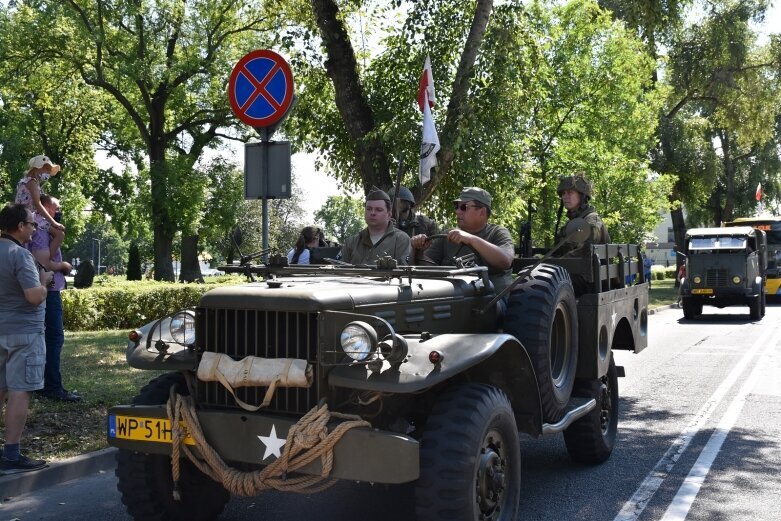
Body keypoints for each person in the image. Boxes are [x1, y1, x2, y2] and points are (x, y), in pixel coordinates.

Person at [0, 203, 53, 473]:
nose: (34, 227)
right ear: (20, 226)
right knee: (20, 390)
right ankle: (11, 454)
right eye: (32, 223)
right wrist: (44, 282)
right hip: (25, 333)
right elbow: (33, 297)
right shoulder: (20, 255)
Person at [411, 187, 514, 293]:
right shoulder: (447, 235)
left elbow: (505, 261)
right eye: (456, 207)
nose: (457, 211)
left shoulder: (497, 233)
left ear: (482, 212)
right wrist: (419, 251)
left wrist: (470, 239)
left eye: (464, 207)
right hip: (451, 297)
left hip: (491, 301)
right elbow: (428, 269)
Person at [29, 196, 80, 402]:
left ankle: (39, 384)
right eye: (56, 208)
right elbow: (44, 263)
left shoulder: (41, 230)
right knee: (53, 337)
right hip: (47, 291)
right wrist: (63, 266)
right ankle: (50, 386)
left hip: (47, 289)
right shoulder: (40, 232)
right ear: (45, 207)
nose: (59, 213)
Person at [553, 173, 610, 294]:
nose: (565, 196)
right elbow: (559, 250)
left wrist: (553, 264)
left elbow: (583, 251)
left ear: (582, 196)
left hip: (590, 280)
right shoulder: (571, 223)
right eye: (563, 193)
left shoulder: (591, 221)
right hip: (574, 274)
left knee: (549, 283)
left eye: (570, 192)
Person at [339, 187, 410, 265]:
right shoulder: (351, 242)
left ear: (389, 214)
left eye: (378, 209)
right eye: (369, 209)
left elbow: (405, 272)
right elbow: (337, 270)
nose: (372, 213)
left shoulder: (401, 240)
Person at [15, 155, 66, 261]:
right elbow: (38, 205)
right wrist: (54, 223)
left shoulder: (26, 181)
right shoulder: (32, 182)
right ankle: (47, 261)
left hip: (23, 215)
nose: (48, 172)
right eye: (46, 169)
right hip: (31, 217)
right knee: (59, 234)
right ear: (38, 167)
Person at [389, 186, 439, 265]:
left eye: (404, 211)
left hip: (419, 272)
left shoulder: (426, 224)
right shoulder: (384, 225)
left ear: (409, 206)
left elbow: (434, 258)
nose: (399, 216)